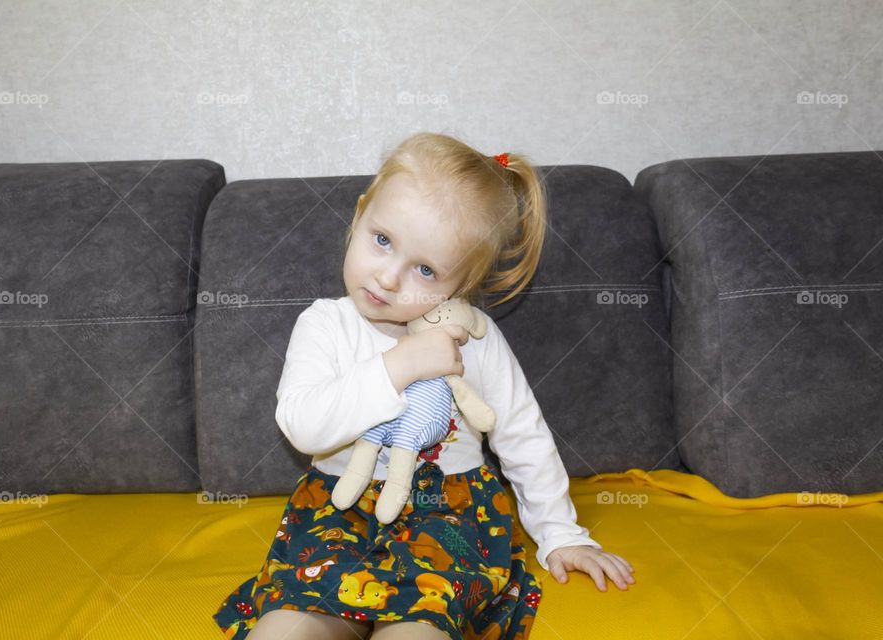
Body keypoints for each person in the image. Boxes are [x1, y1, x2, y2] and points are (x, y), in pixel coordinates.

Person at [213, 132, 635, 640]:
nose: (388, 278)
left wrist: (562, 534)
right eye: (383, 240)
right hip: (340, 514)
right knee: (281, 632)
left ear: (459, 286)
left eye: (426, 269)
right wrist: (400, 364)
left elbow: (522, 432)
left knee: (418, 632)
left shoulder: (472, 337)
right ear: (359, 214)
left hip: (449, 518)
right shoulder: (325, 323)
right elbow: (302, 427)